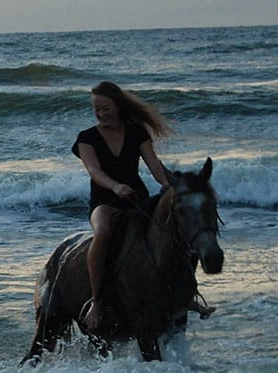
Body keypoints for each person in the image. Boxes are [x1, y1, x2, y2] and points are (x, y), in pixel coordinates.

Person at [72, 81, 213, 331]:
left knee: (177, 231)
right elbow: (94, 171)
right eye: (96, 108)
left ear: (117, 106)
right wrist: (115, 186)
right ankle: (96, 300)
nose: (100, 113)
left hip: (137, 199)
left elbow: (155, 167)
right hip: (104, 201)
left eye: (105, 108)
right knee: (102, 233)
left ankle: (186, 293)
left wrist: (174, 184)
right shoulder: (86, 138)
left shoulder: (137, 132)